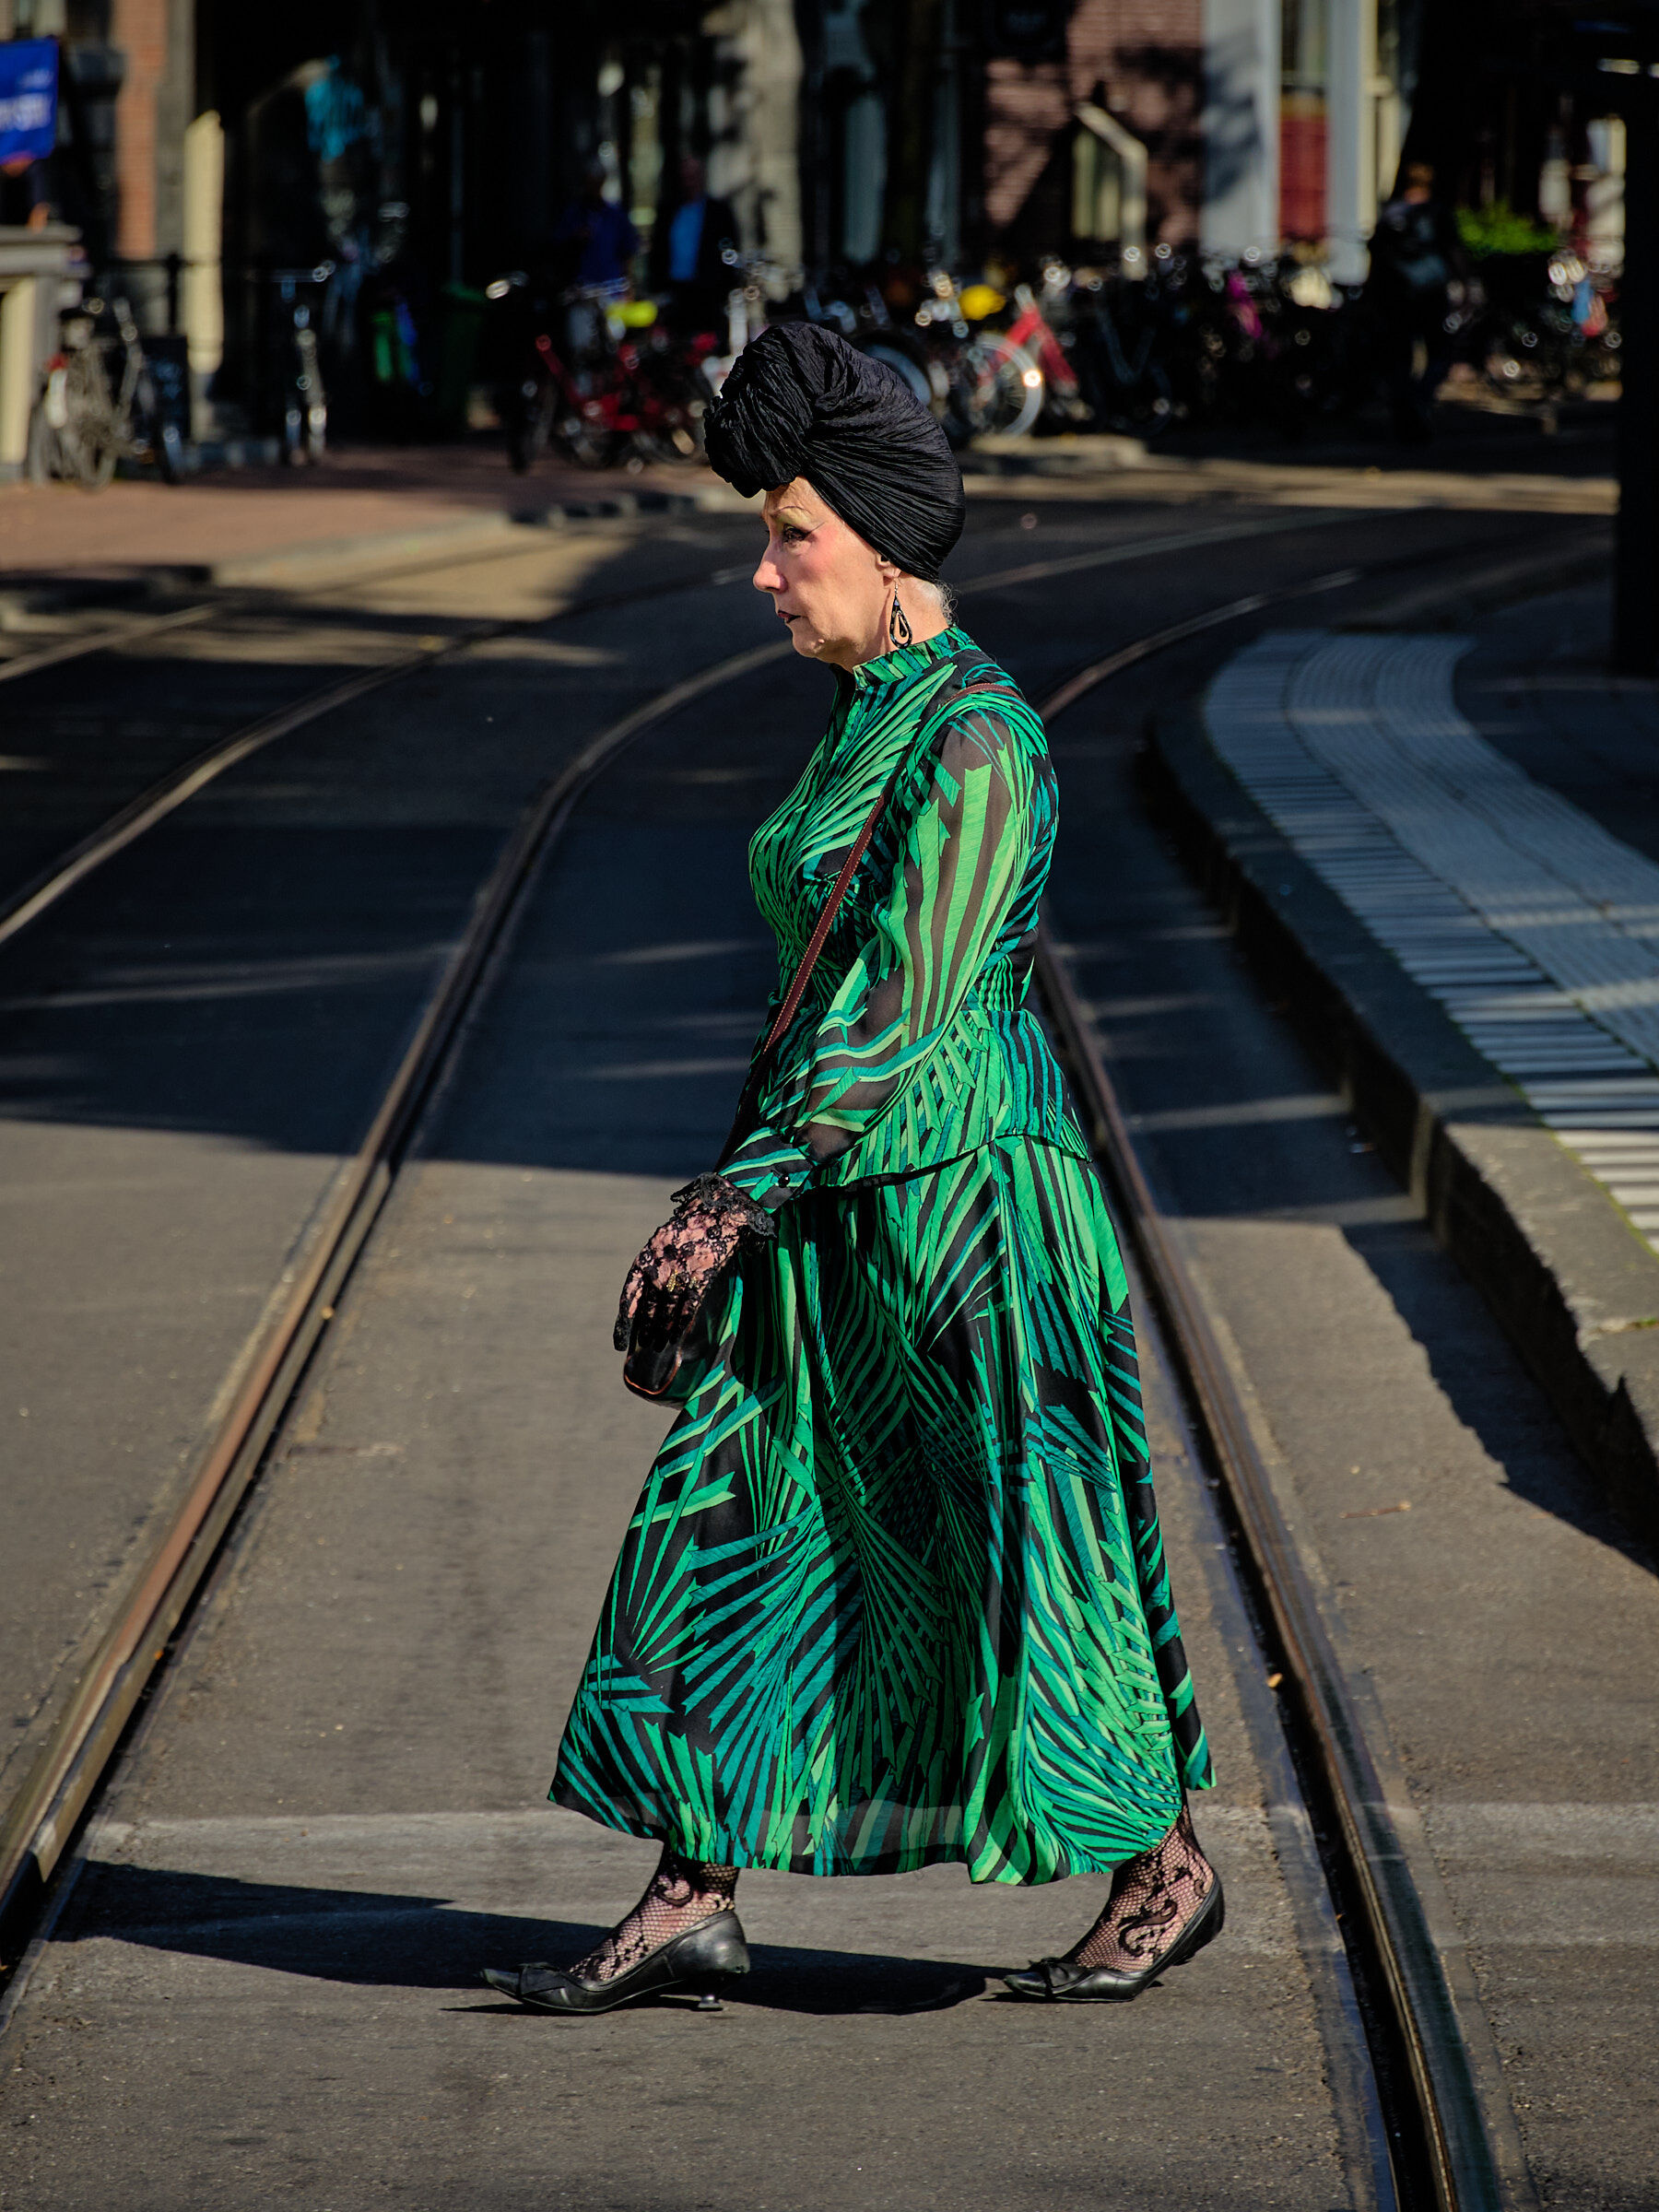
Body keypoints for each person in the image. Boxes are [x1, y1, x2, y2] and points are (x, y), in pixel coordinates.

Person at [484, 323, 1220, 2018]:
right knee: (735, 1514)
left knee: (1021, 1547)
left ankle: (1164, 1870)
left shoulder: (981, 740)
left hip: (971, 1219)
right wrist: (747, 1196)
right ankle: (690, 1890)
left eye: (789, 538)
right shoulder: (863, 719)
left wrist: (731, 1197)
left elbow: (902, 1006)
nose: (764, 574)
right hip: (830, 1214)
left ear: (886, 551)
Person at [1366, 160, 1470, 442]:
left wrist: (1372, 292)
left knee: (1400, 354)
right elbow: (1453, 249)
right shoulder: (1437, 212)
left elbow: (1376, 254)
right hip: (1430, 292)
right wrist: (1465, 284)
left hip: (1395, 295)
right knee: (1440, 350)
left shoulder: (1391, 213)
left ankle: (1404, 404)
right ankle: (1421, 397)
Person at [662, 154, 739, 335]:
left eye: (693, 176)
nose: (689, 182)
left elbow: (729, 251)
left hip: (708, 293)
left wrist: (723, 288)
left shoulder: (718, 211)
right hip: (676, 292)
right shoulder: (668, 210)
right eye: (685, 176)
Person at [552, 160, 640, 290]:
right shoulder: (573, 214)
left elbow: (628, 252)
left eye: (597, 182)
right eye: (590, 182)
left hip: (611, 286)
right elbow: (558, 247)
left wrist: (628, 284)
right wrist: (576, 239)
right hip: (581, 286)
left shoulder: (615, 216)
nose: (593, 188)